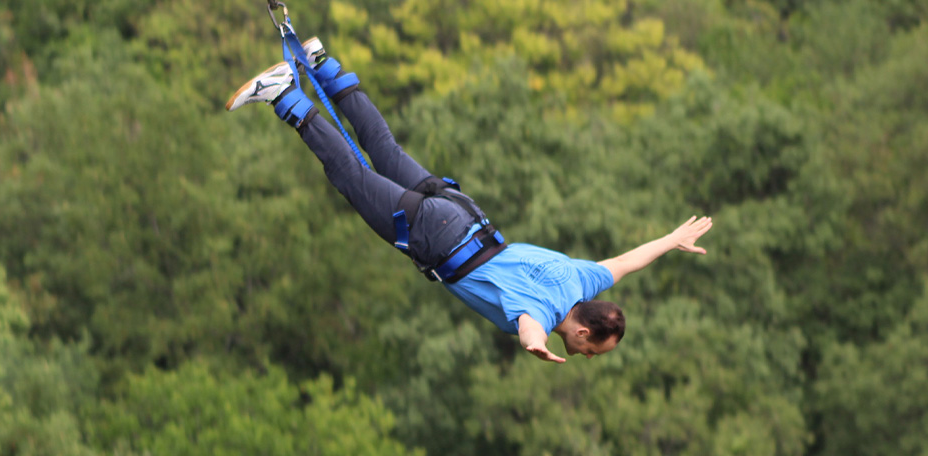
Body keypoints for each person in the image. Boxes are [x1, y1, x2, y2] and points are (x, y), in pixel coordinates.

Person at [225, 37, 713, 363]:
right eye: (590, 352)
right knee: (351, 176)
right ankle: (284, 93)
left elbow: (627, 261)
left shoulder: (581, 278)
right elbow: (529, 329)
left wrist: (671, 240)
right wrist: (536, 349)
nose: (585, 357)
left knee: (384, 149)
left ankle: (322, 62)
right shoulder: (541, 314)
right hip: (438, 237)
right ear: (582, 334)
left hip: (467, 214)